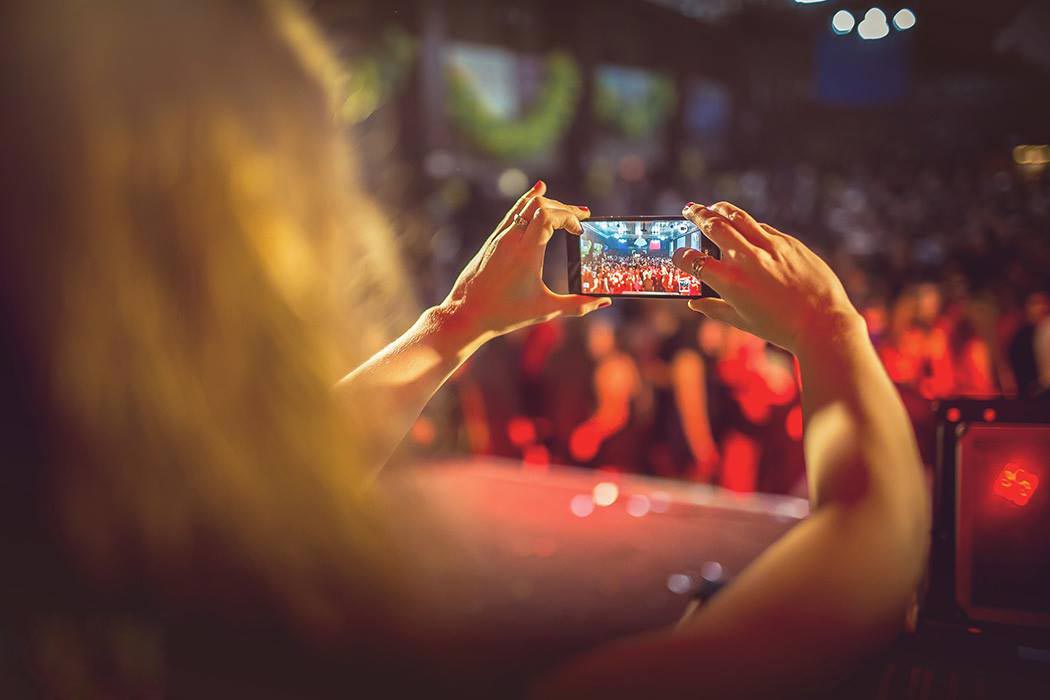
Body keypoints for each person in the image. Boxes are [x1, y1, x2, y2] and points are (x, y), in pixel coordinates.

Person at [0, 1, 928, 698]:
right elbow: (866, 552)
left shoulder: (98, 608)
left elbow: (222, 518)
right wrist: (828, 326)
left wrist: (453, 323)